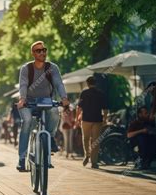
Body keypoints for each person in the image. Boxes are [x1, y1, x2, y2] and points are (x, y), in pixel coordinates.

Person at [16, 41, 69, 171]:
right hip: (29, 102)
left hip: (46, 101)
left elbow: (59, 84)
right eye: (38, 50)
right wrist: (22, 99)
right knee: (27, 121)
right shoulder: (26, 68)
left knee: (55, 112)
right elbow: (23, 85)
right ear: (33, 53)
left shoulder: (52, 68)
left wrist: (64, 98)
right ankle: (22, 159)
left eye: (44, 50)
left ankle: (49, 138)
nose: (42, 52)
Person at [76, 76, 107, 169]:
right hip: (97, 119)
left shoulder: (84, 93)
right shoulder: (101, 94)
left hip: (86, 119)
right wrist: (105, 119)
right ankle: (94, 162)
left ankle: (87, 155)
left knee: (85, 139)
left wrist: (77, 118)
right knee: (95, 141)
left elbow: (79, 107)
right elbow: (105, 108)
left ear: (87, 83)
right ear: (95, 83)